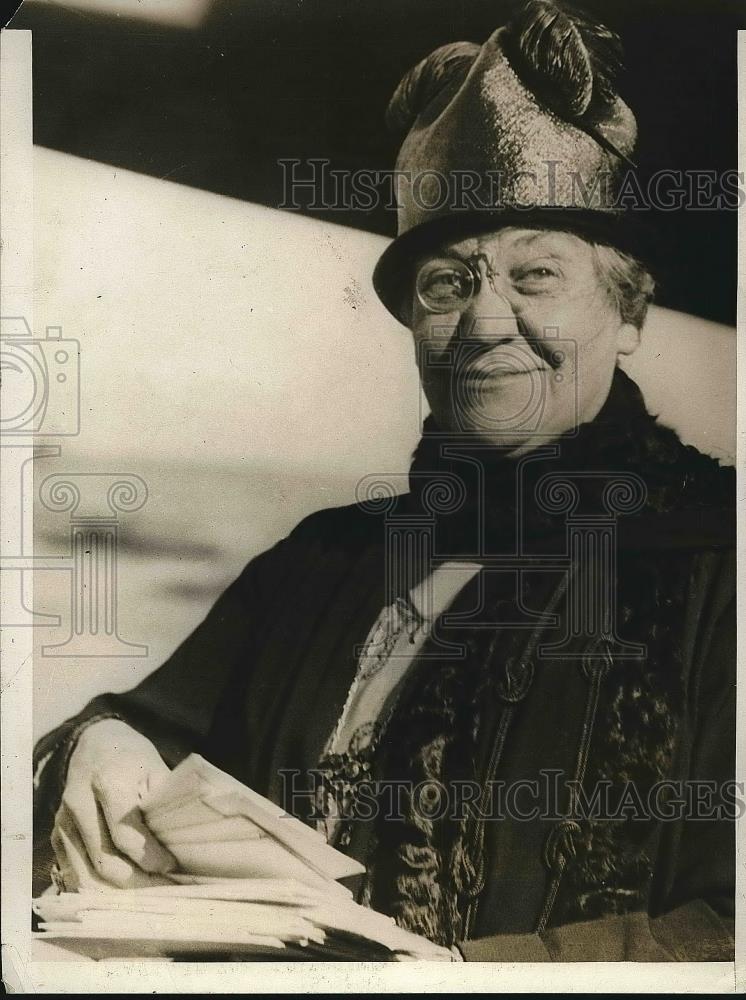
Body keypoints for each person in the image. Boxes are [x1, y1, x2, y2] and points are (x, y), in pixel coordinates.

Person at [34, 0, 735, 961]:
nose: (486, 323)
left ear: (628, 314)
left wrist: (457, 981)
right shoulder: (322, 562)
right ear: (412, 324)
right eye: (448, 284)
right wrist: (98, 744)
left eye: (536, 277)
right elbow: (145, 727)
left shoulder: (721, 562)